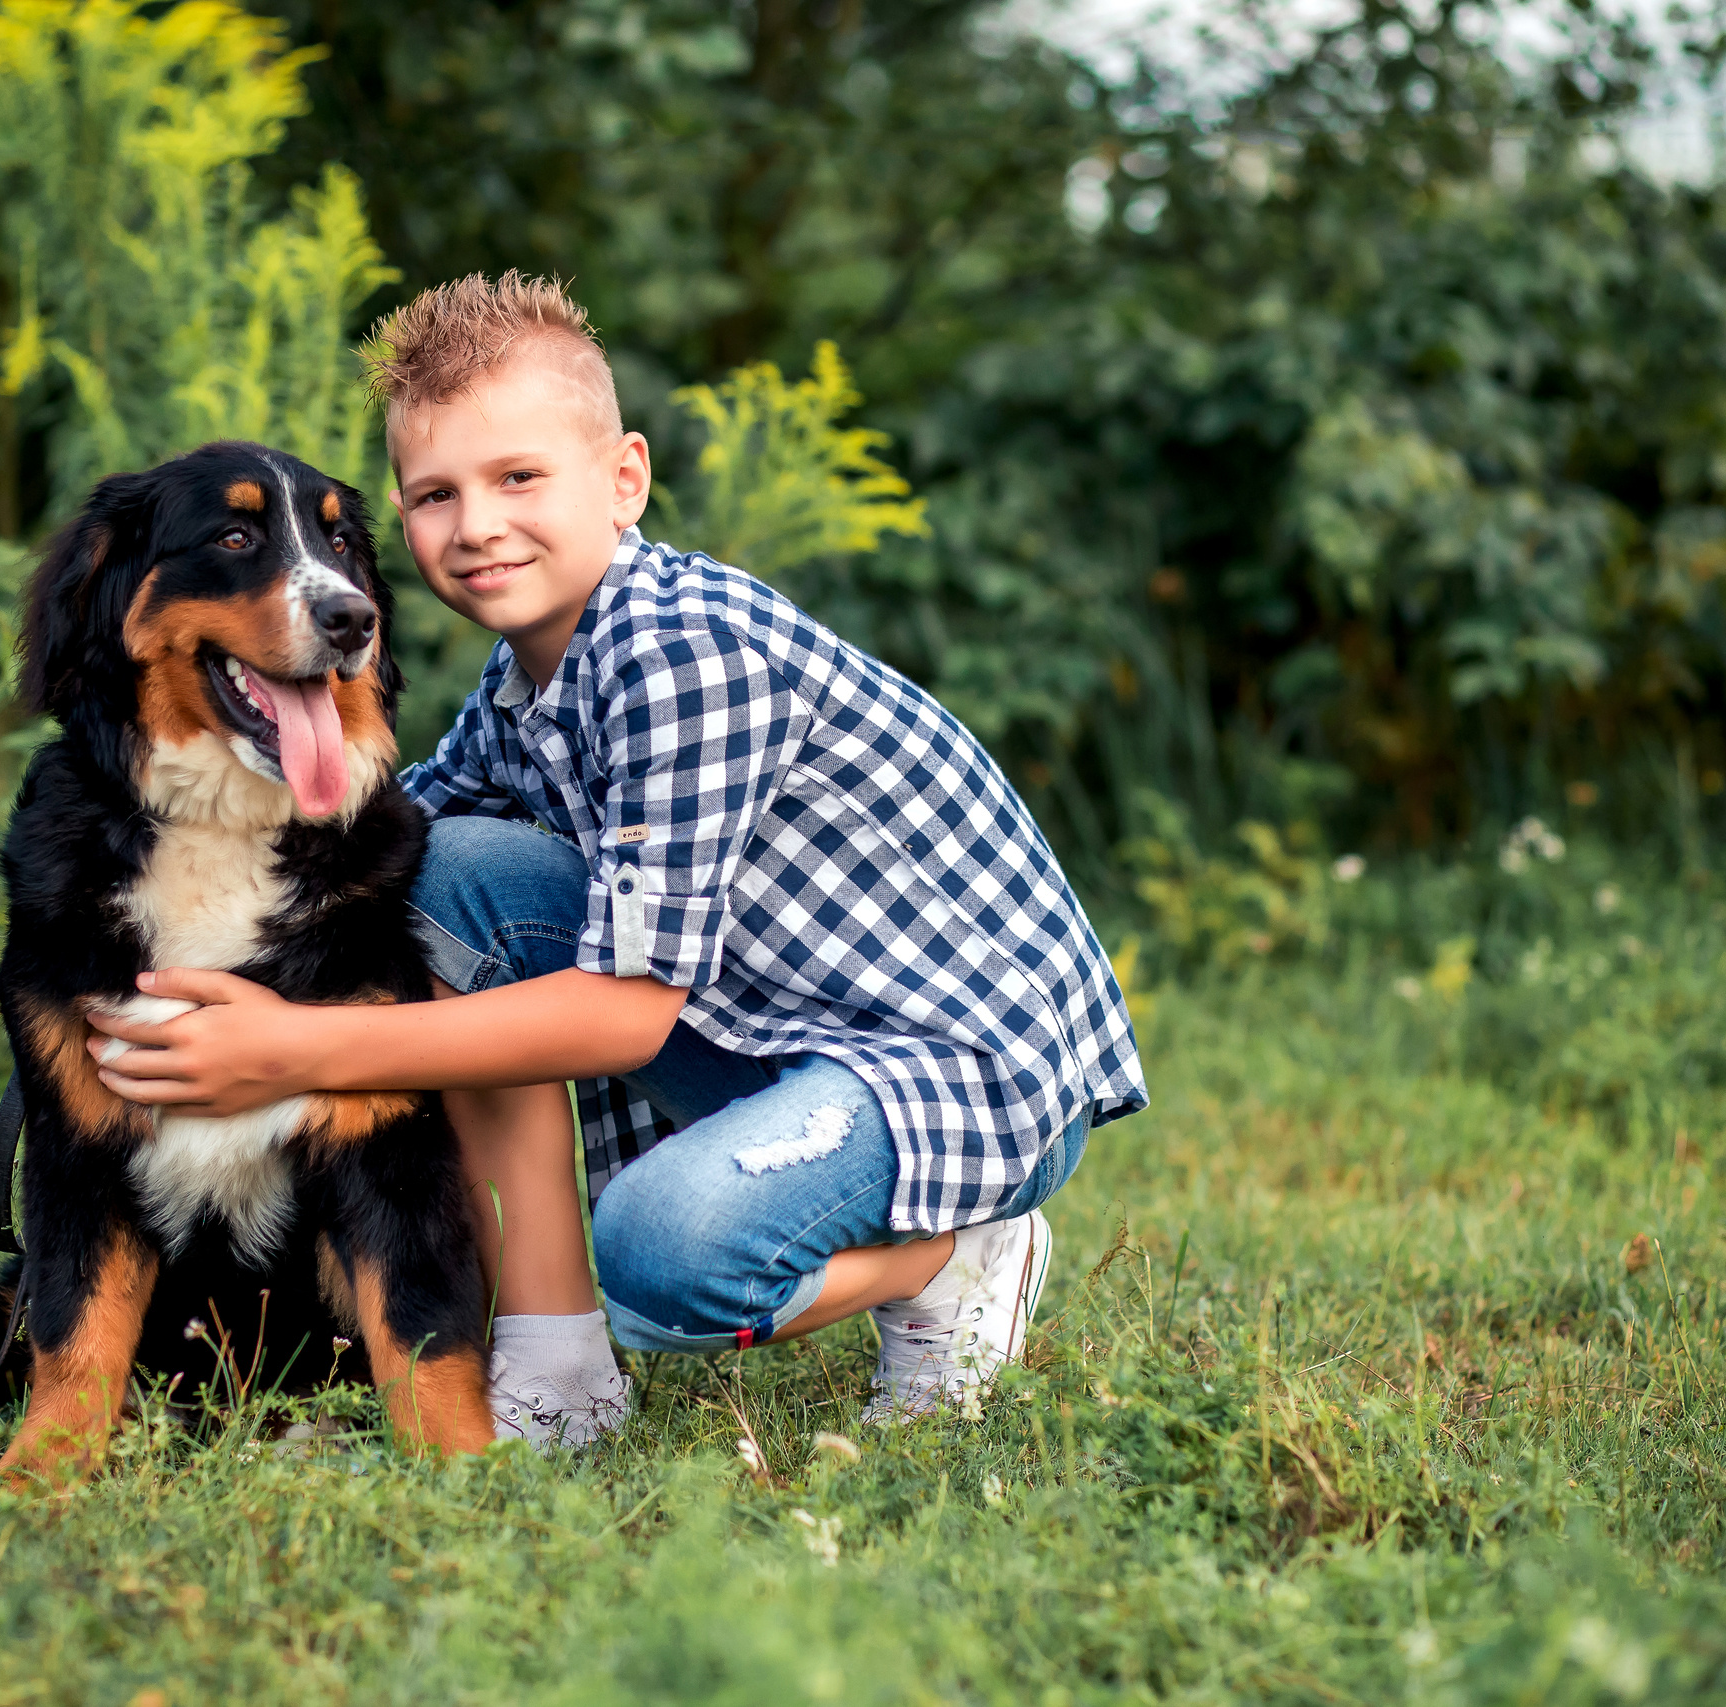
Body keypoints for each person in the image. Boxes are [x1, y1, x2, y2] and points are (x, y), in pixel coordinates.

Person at [86, 273, 1146, 1446]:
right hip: (778, 1027)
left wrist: (288, 1049)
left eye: (520, 477)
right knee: (442, 876)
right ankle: (557, 1383)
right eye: (436, 494)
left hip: (956, 1064)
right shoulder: (530, 672)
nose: (477, 524)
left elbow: (625, 1019)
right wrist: (139, 938)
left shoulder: (682, 654)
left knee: (665, 1257)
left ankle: (953, 1257)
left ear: (624, 479)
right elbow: (381, 854)